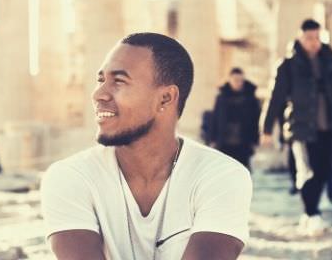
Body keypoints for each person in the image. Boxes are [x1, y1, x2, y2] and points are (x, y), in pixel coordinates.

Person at [41, 33, 252, 260]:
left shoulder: (222, 176)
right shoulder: (70, 177)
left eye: (119, 81)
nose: (98, 94)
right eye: (101, 80)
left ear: (165, 98)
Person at [262, 19, 332, 236]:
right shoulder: (288, 66)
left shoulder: (331, 62)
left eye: (316, 37)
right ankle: (312, 214)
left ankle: (308, 215)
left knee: (324, 172)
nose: (313, 42)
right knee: (308, 172)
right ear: (300, 38)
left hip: (328, 126)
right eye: (308, 38)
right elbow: (275, 98)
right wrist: (267, 128)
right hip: (301, 128)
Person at [207, 68, 261, 170]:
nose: (238, 83)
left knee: (242, 169)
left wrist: (255, 140)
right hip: (225, 141)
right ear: (230, 80)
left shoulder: (251, 98)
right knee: (224, 169)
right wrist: (213, 139)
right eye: (235, 80)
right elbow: (215, 118)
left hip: (244, 141)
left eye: (240, 80)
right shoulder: (222, 97)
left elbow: (256, 120)